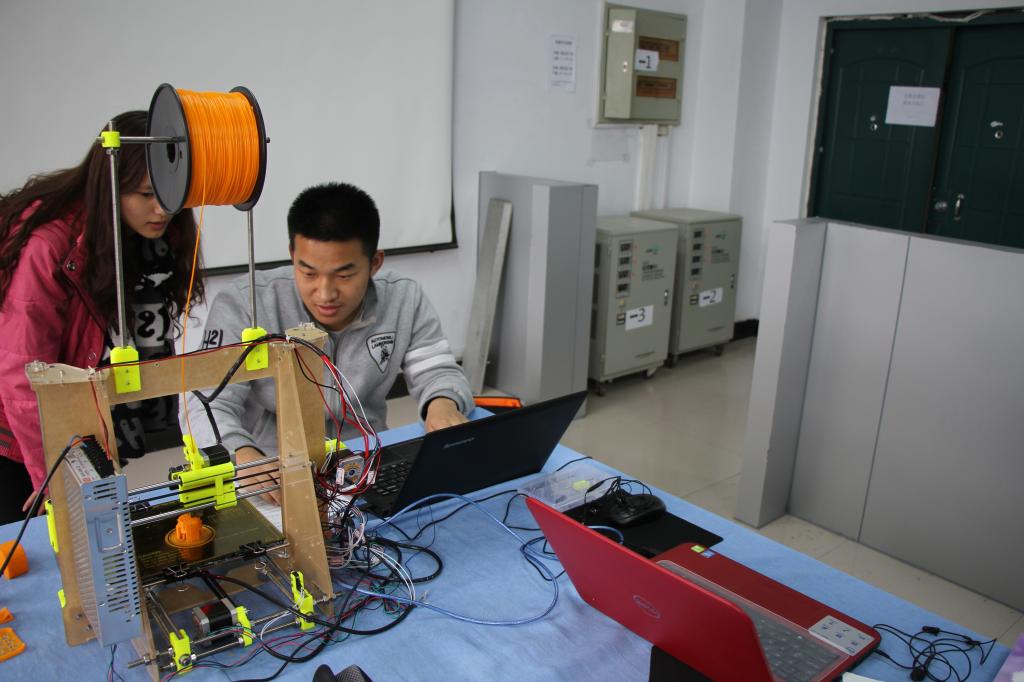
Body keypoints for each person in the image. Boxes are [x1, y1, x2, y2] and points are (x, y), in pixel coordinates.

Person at [184, 182, 472, 498]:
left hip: (367, 462)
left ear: (375, 263)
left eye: (344, 275)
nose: (325, 294)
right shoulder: (246, 303)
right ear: (292, 255)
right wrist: (242, 454)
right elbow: (205, 402)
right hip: (275, 471)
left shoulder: (404, 299)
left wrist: (441, 403)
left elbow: (437, 371)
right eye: (308, 273)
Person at [0, 110, 206, 523]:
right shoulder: (50, 246)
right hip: (15, 439)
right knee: (34, 544)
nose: (161, 209)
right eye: (144, 194)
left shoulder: (153, 235)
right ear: (111, 186)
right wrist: (54, 481)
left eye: (168, 194)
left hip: (73, 421)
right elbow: (23, 377)